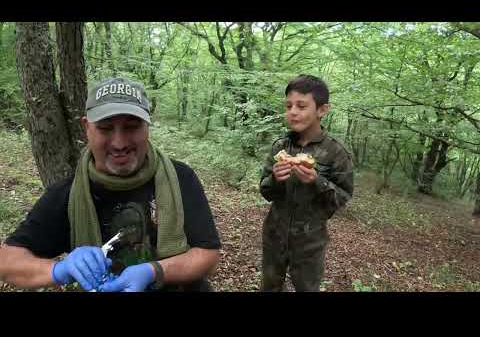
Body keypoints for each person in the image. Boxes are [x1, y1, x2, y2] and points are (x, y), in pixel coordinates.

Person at [0, 76, 221, 292]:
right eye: (105, 128)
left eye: (132, 126)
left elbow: (208, 256)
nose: (119, 142)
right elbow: (7, 261)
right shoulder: (68, 195)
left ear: (147, 126)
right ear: (87, 127)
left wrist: (155, 271)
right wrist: (60, 270)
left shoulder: (180, 178)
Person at [259, 74, 353, 292]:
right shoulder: (280, 146)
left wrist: (317, 181)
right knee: (269, 286)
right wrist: (274, 179)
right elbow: (265, 190)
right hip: (274, 234)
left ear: (322, 110)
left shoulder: (336, 152)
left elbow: (343, 197)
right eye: (289, 105)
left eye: (301, 106)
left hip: (310, 241)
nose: (292, 112)